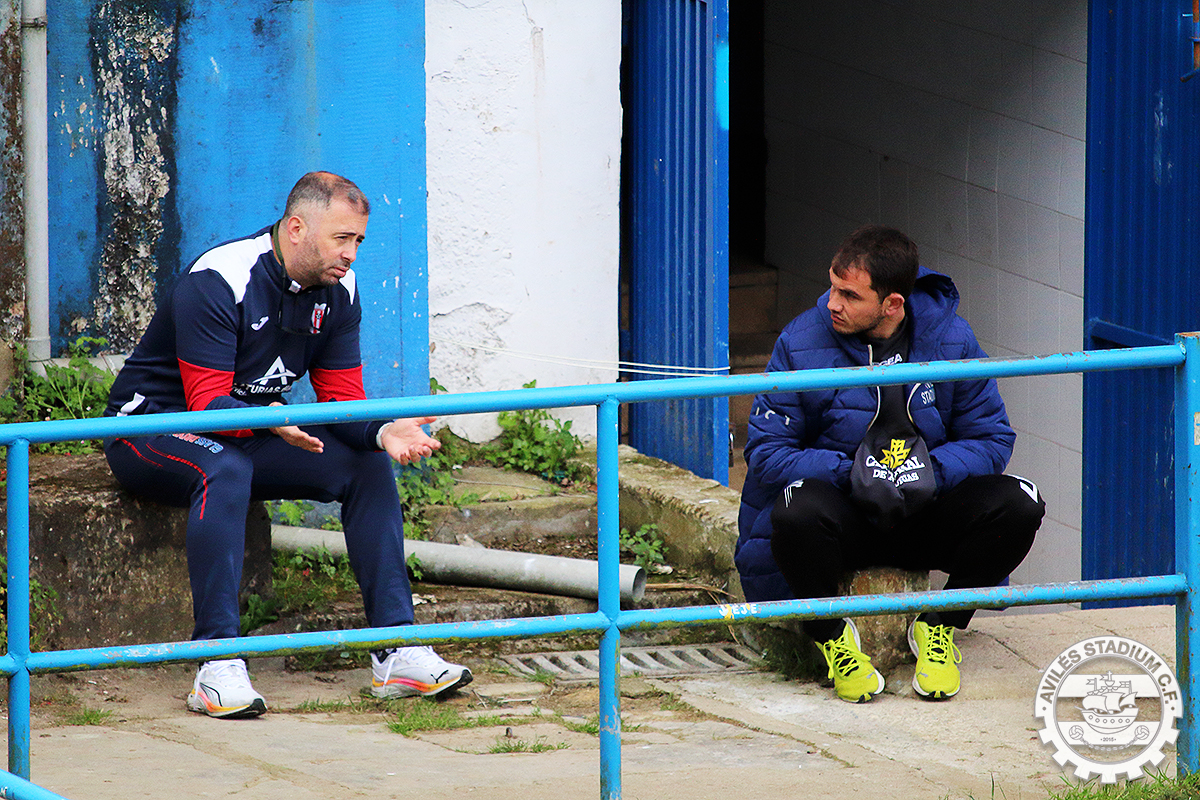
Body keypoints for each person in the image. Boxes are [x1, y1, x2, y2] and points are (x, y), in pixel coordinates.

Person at [103, 171, 471, 719]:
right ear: (296, 228)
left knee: (366, 465)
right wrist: (272, 419)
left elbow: (341, 400)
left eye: (358, 241)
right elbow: (204, 407)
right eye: (341, 238)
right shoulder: (220, 278)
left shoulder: (340, 289)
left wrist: (380, 431)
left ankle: (396, 650)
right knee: (224, 468)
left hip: (254, 427)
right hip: (152, 428)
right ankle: (216, 662)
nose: (351, 255)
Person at [735, 225, 1045, 703]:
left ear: (892, 304)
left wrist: (929, 472)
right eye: (832, 287)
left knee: (1021, 502)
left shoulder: (952, 339)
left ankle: (940, 625)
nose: (832, 303)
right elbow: (766, 452)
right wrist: (853, 474)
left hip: (925, 510)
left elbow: (991, 437)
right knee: (796, 508)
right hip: (845, 516)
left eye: (849, 295)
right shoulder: (800, 341)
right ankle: (833, 637)